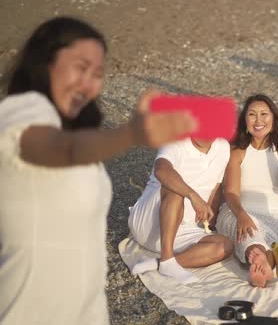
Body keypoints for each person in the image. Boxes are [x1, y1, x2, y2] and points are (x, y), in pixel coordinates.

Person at [0, 17, 195, 324]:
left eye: (98, 73)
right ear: (44, 64)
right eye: (80, 67)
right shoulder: (18, 117)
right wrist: (130, 134)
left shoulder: (78, 137)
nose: (89, 82)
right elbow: (55, 147)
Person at [215, 94, 278, 288]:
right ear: (245, 120)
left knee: (258, 233)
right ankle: (265, 263)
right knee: (249, 231)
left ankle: (258, 262)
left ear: (274, 118)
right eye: (252, 115)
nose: (259, 120)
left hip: (274, 213)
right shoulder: (237, 150)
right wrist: (242, 214)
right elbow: (230, 193)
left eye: (264, 114)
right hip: (236, 210)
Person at [127, 136, 234, 284]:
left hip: (184, 229)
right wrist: (193, 196)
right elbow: (161, 170)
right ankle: (166, 257)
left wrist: (210, 222)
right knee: (176, 191)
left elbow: (215, 188)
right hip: (148, 223)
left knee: (224, 246)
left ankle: (160, 263)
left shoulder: (222, 147)